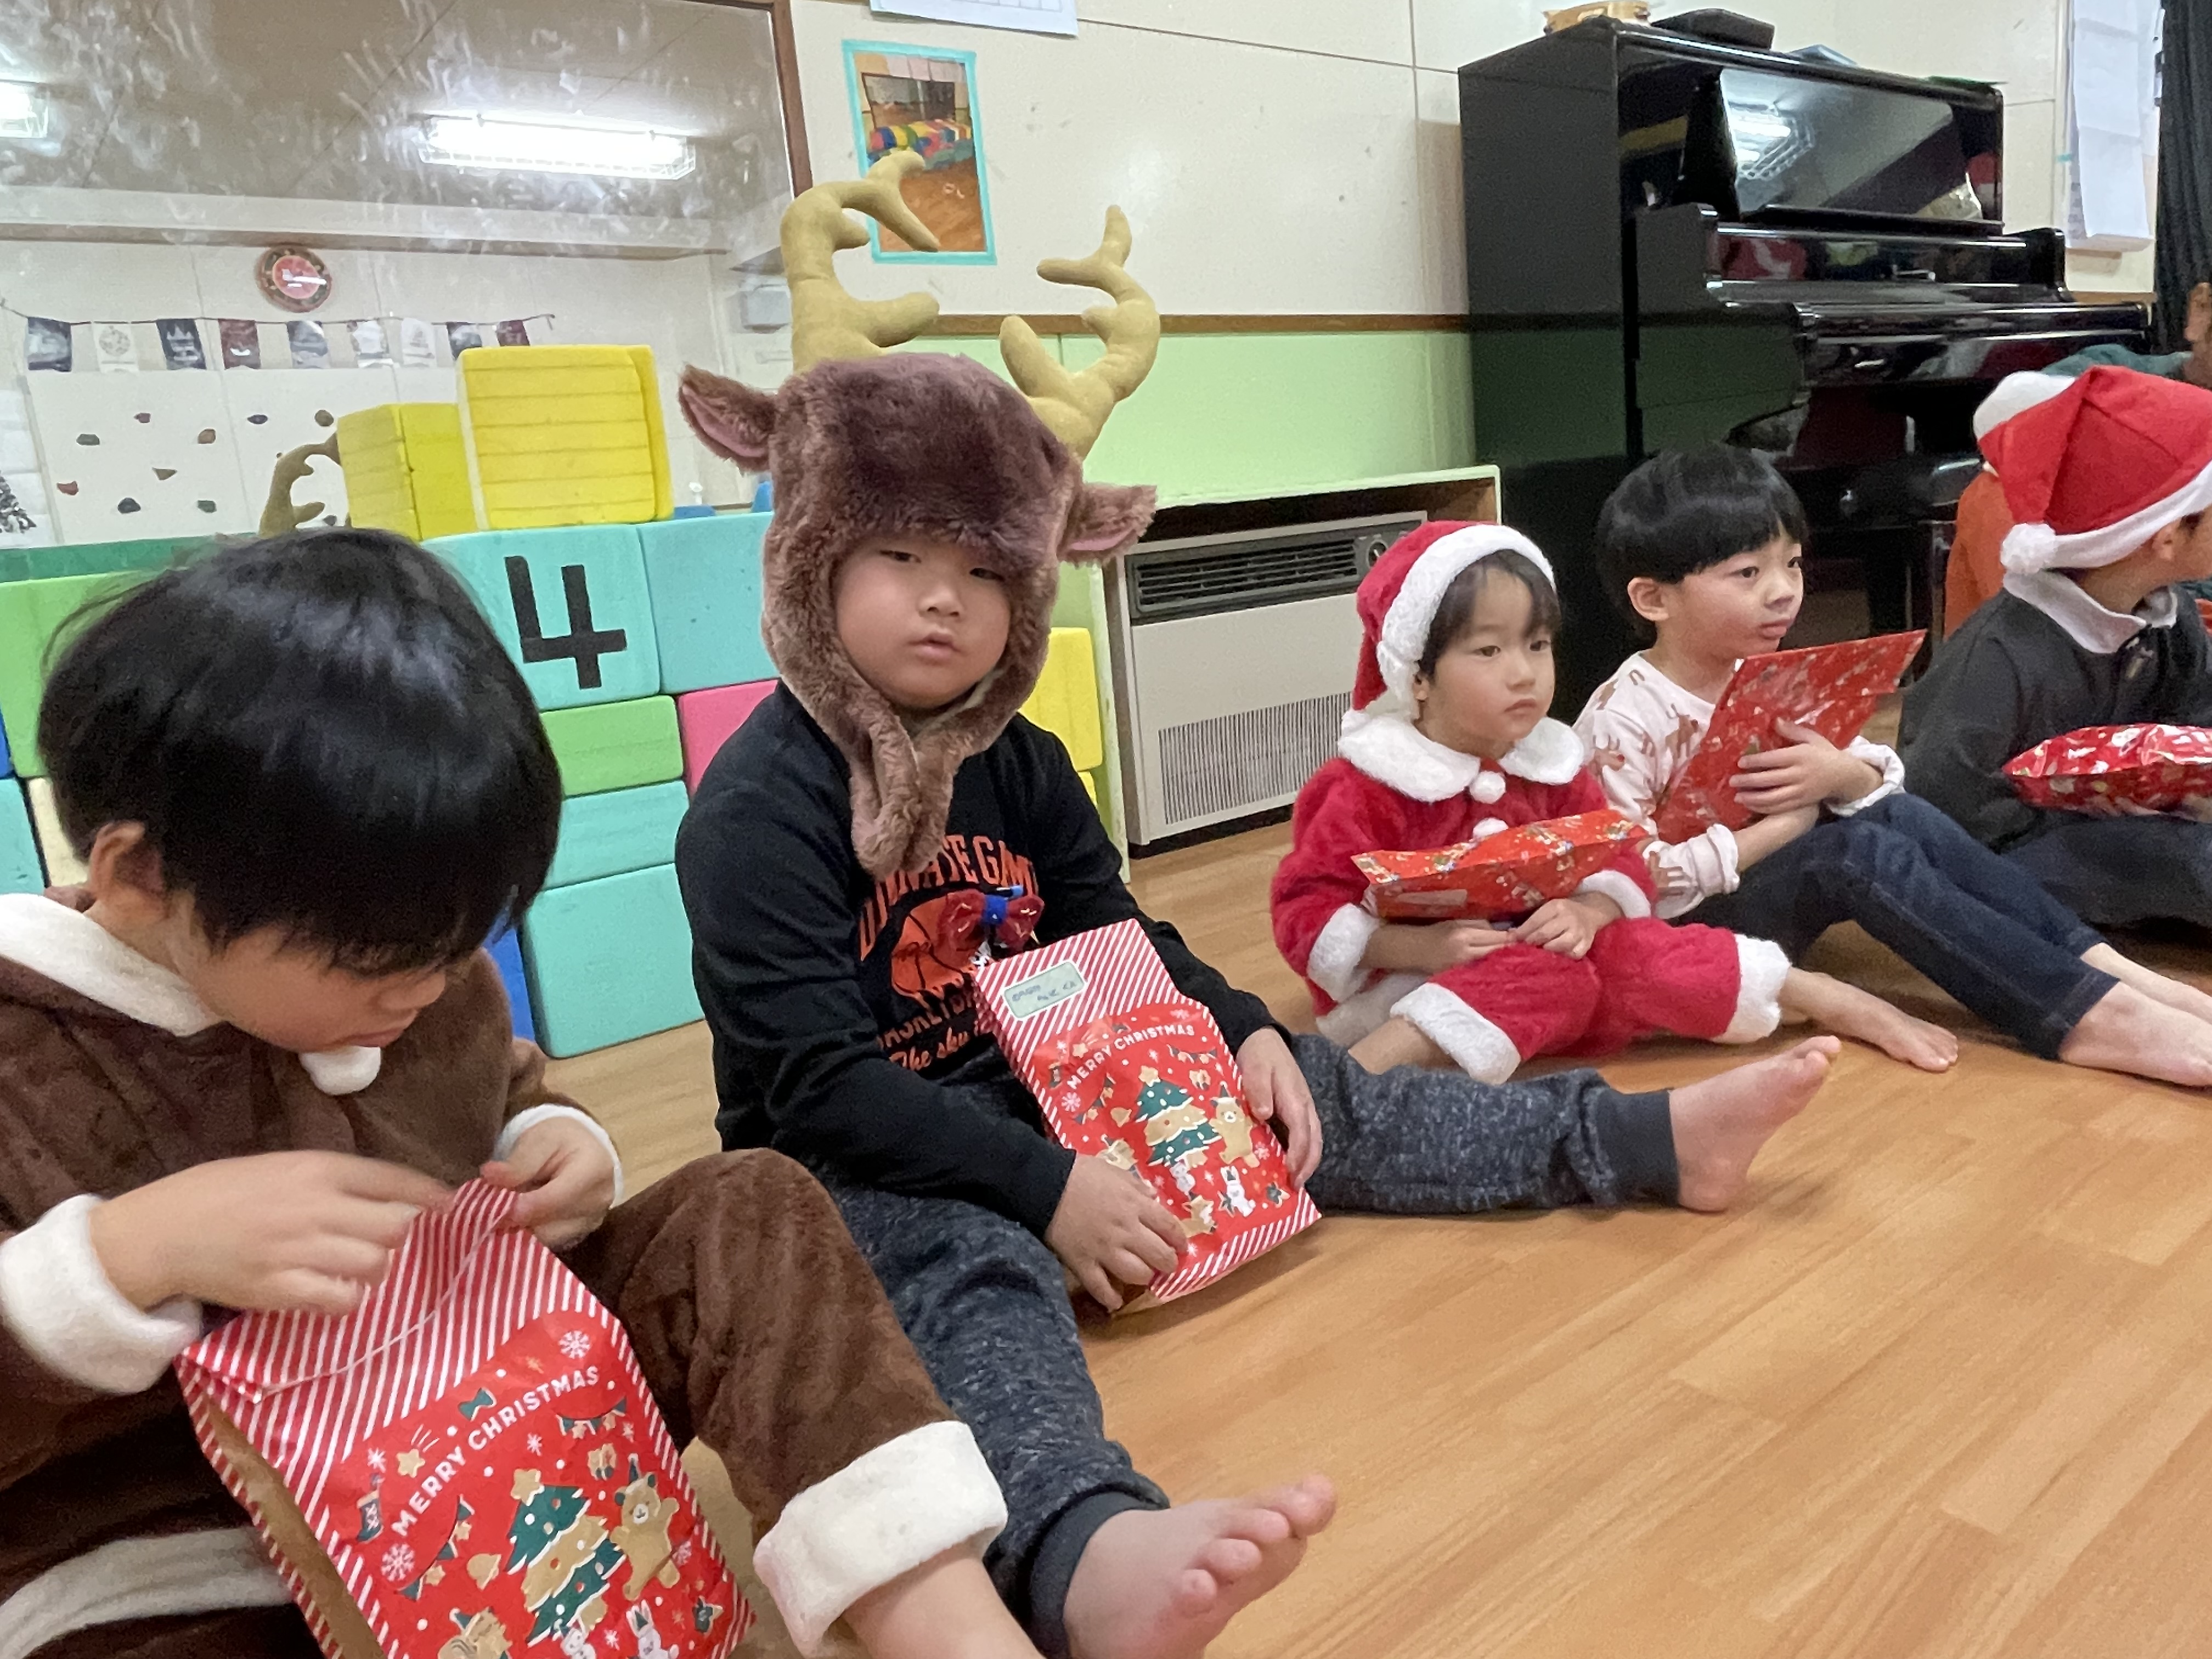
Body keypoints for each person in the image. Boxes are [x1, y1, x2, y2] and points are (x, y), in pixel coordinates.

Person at [674, 342, 1843, 1659]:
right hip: (855, 1159)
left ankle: (1646, 1141)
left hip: (1048, 1077)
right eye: (901, 557)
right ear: (815, 561)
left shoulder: (1018, 757)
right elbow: (818, 1090)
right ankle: (1084, 1549)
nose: (948, 601)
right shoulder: (758, 810)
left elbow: (1111, 925)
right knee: (974, 1272)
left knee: (1321, 1091)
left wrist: (1239, 1030)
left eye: (990, 571)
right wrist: (1046, 1187)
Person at [0, 531, 1043, 1659]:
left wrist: (556, 1139)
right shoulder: (27, 1047)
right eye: (372, 959)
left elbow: (505, 1089)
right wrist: (123, 1257)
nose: (427, 988)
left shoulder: (417, 976)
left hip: (490, 1430)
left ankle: (942, 1617)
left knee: (751, 1208)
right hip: (170, 1550)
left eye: (458, 944)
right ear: (143, 877)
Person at [1577, 443, 2212, 1086]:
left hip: (1758, 890)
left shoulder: (1763, 674)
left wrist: (1841, 776)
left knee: (1900, 816)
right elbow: (1628, 883)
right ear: (1653, 599)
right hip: (1685, 938)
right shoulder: (1623, 718)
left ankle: (2106, 969)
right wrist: (1787, 826)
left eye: (1792, 563)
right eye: (1747, 574)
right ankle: (2082, 1015)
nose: (1784, 592)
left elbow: (1871, 774)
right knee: (1854, 853)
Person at [1271, 522, 1956, 1080]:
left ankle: (1813, 994)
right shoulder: (1364, 783)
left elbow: (1620, 854)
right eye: (1488, 651)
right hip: (1401, 983)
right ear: (1417, 677)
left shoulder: (1552, 761)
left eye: (1537, 645)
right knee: (1558, 977)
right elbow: (1304, 910)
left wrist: (1591, 909)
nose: (1524, 673)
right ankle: (1356, 1074)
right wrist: (1414, 946)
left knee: (1634, 948)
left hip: (1548, 953)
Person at [1903, 366, 2212, 935]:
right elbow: (1937, 803)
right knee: (2185, 858)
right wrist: (2089, 815)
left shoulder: (2173, 617)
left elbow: (2198, 727)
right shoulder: (2004, 653)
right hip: (2009, 853)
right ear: (2167, 538)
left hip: (2133, 826)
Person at [1945, 281, 2212, 633]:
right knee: (2002, 492)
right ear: (2201, 309)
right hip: (2096, 627)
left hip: (2171, 630)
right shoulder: (2107, 377)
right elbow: (2011, 423)